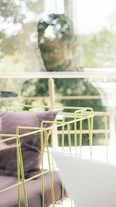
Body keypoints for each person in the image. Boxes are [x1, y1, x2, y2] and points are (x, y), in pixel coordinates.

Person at [21, 13, 106, 144]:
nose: (46, 56)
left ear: (72, 49)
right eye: (43, 50)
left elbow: (97, 141)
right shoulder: (30, 89)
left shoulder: (88, 94)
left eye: (53, 50)